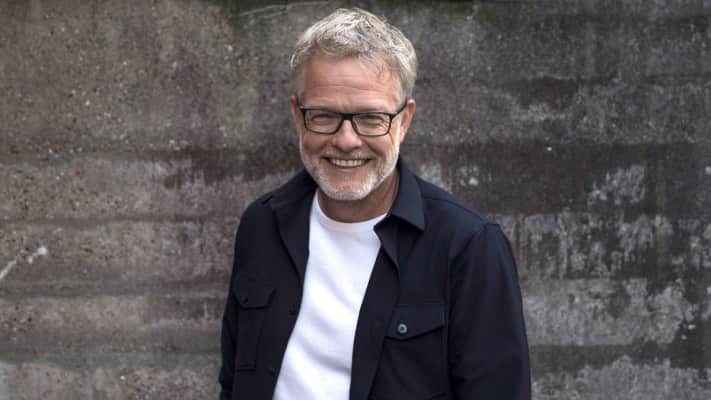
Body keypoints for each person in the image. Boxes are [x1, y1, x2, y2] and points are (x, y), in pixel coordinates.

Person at [219, 8, 530, 400]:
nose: (346, 140)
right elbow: (233, 381)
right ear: (297, 116)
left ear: (404, 121)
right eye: (324, 116)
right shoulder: (262, 225)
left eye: (370, 118)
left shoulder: (468, 246)